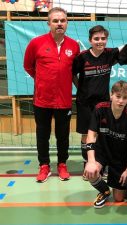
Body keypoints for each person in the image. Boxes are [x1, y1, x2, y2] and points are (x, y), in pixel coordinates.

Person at [23, 7, 80, 183]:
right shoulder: (36, 43)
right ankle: (44, 166)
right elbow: (28, 66)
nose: (59, 24)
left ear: (67, 23)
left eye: (62, 20)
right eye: (55, 21)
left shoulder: (73, 45)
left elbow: (74, 72)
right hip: (42, 100)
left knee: (63, 135)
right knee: (43, 134)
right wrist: (42, 80)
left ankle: (62, 164)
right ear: (49, 23)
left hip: (64, 101)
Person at [72, 25, 120, 178]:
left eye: (103, 38)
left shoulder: (109, 54)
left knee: (101, 133)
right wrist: (81, 89)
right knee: (86, 134)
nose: (100, 41)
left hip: (103, 103)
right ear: (90, 40)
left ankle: (100, 163)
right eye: (96, 39)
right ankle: (87, 163)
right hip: (85, 102)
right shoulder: (82, 57)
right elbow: (73, 74)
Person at [83, 81, 127, 208]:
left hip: (120, 157)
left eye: (125, 98)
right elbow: (91, 135)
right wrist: (91, 161)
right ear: (111, 95)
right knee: (90, 171)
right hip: (102, 151)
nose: (121, 101)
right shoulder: (100, 109)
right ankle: (104, 190)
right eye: (118, 96)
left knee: (119, 198)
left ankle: (121, 186)